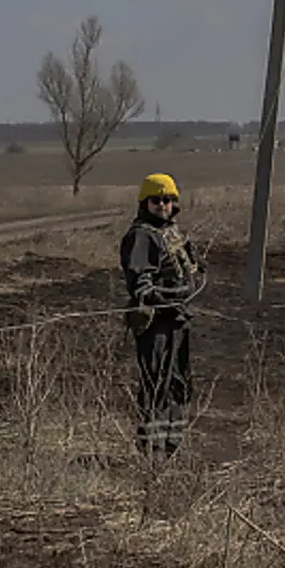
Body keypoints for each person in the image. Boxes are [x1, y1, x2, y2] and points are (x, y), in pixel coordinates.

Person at [120, 172, 201, 455]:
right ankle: (151, 450)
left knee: (179, 384)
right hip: (156, 325)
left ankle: (172, 446)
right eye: (156, 200)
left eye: (168, 200)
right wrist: (172, 295)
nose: (163, 205)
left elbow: (192, 268)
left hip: (179, 321)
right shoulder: (141, 236)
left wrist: (194, 273)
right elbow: (140, 286)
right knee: (156, 386)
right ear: (145, 203)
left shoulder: (173, 232)